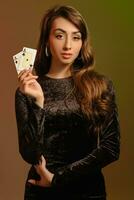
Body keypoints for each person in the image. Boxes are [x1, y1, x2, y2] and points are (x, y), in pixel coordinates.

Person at [15, 4, 120, 200]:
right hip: (41, 192)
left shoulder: (101, 85)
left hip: (88, 191)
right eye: (60, 35)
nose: (68, 46)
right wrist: (38, 102)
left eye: (76, 37)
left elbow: (111, 149)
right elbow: (30, 154)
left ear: (83, 43)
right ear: (47, 40)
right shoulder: (27, 90)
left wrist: (57, 178)